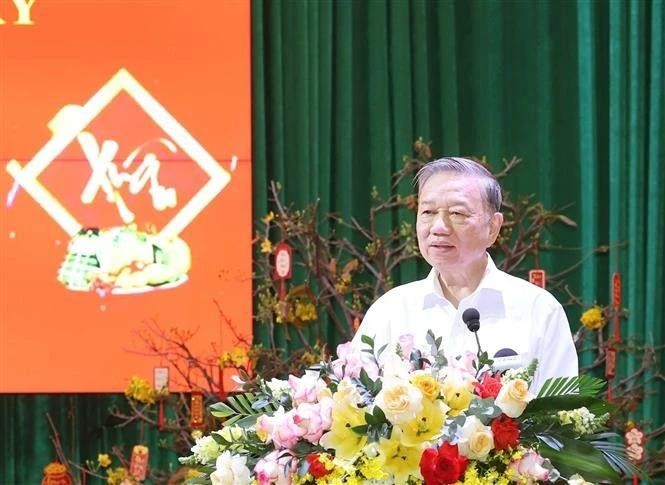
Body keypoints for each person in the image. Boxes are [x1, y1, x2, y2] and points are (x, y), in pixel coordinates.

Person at [353, 157, 578, 392]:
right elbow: (354, 404)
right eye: (428, 211)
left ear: (493, 227)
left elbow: (561, 417)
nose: (439, 227)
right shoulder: (390, 310)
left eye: (457, 213)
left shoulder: (538, 310)